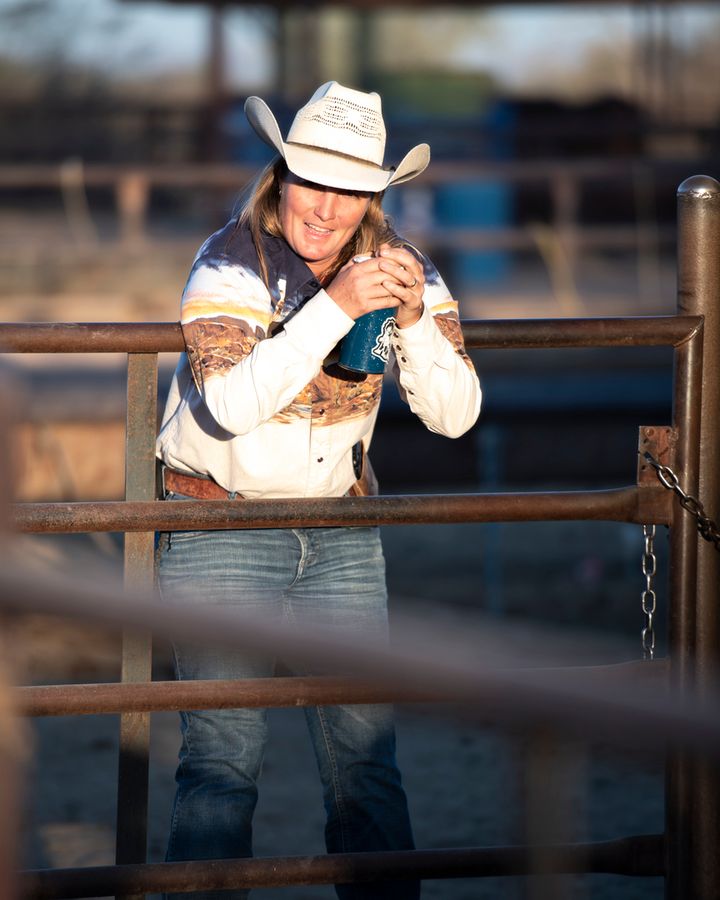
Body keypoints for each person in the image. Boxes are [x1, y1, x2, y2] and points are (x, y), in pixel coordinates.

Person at [156, 81, 481, 900]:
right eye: (311, 178)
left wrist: (410, 322)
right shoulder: (228, 260)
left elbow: (455, 416)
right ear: (281, 175)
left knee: (367, 766)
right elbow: (229, 404)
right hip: (218, 526)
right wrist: (334, 308)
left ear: (375, 193)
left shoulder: (402, 268)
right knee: (222, 766)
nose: (326, 207)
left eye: (350, 187)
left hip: (339, 531)